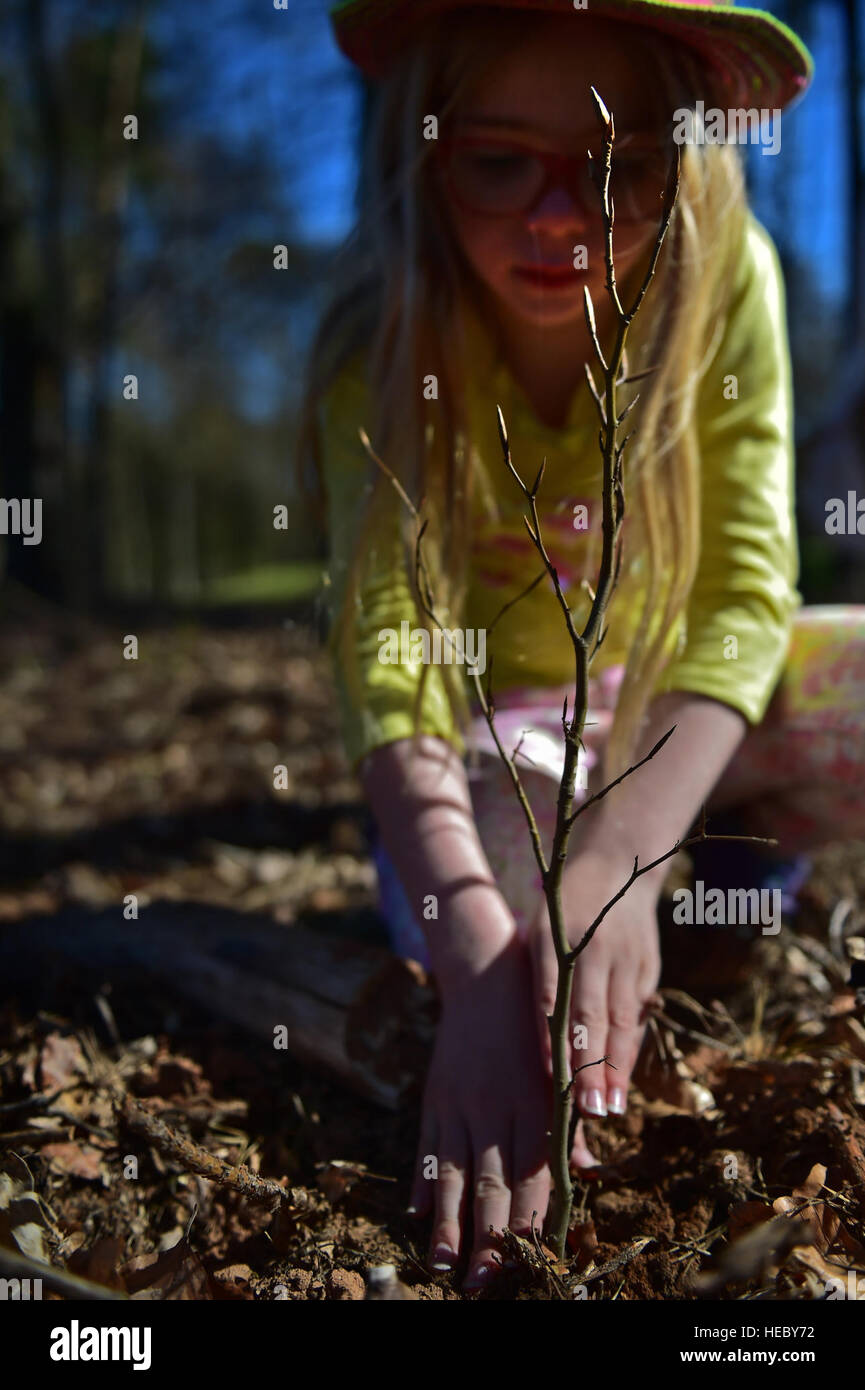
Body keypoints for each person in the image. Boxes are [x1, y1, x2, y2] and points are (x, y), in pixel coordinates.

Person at [298, 0, 863, 1290]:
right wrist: (480, 960)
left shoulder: (727, 284)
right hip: (509, 753)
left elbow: (741, 589)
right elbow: (391, 655)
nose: (561, 217)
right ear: (421, 154)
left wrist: (622, 852)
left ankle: (688, 864)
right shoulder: (386, 334)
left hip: (679, 709)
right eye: (499, 159)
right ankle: (664, 905)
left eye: (622, 167)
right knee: (514, 888)